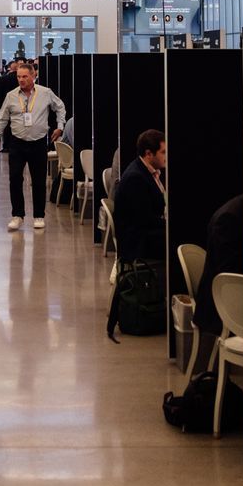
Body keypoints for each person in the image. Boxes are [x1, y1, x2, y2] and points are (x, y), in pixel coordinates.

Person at [0, 58, 66, 233]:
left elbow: (60, 107)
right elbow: (2, 119)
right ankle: (17, 215)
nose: (21, 80)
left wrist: (60, 127)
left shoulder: (45, 93)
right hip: (17, 142)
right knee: (15, 179)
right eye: (18, 77)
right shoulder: (11, 95)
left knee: (38, 180)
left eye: (24, 76)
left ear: (33, 76)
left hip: (38, 142)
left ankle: (39, 215)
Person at [106, 129, 168, 340]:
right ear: (149, 154)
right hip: (138, 242)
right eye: (163, 152)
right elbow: (144, 220)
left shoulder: (147, 173)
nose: (166, 157)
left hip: (144, 232)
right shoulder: (136, 178)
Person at [192, 192, 243, 340]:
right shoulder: (230, 218)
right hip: (224, 307)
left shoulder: (234, 211)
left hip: (225, 298)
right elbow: (229, 273)